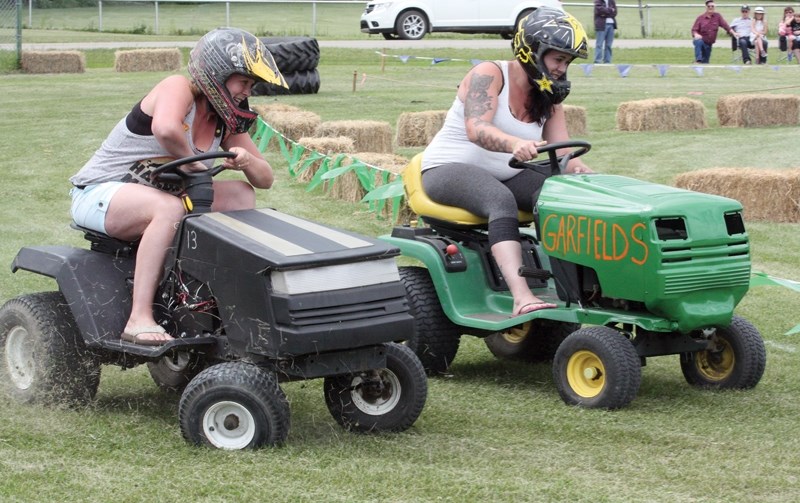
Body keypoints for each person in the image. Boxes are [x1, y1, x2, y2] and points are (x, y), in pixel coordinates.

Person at [69, 28, 287, 345]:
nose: (247, 91)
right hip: (100, 192)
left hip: (163, 197)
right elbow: (166, 129)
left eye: (252, 85)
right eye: (243, 81)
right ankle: (138, 318)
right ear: (218, 72)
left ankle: (216, 301)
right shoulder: (178, 87)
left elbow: (265, 179)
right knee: (168, 207)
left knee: (242, 194)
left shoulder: (225, 122)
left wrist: (245, 160)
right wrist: (197, 165)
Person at [420, 8, 592, 317]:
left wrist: (578, 171)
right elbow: (477, 129)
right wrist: (515, 143)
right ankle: (521, 295)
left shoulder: (549, 98)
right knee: (501, 201)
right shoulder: (489, 74)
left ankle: (580, 290)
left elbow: (560, 153)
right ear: (531, 50)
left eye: (567, 62)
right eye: (557, 59)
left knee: (561, 195)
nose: (561, 69)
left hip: (506, 173)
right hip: (447, 169)